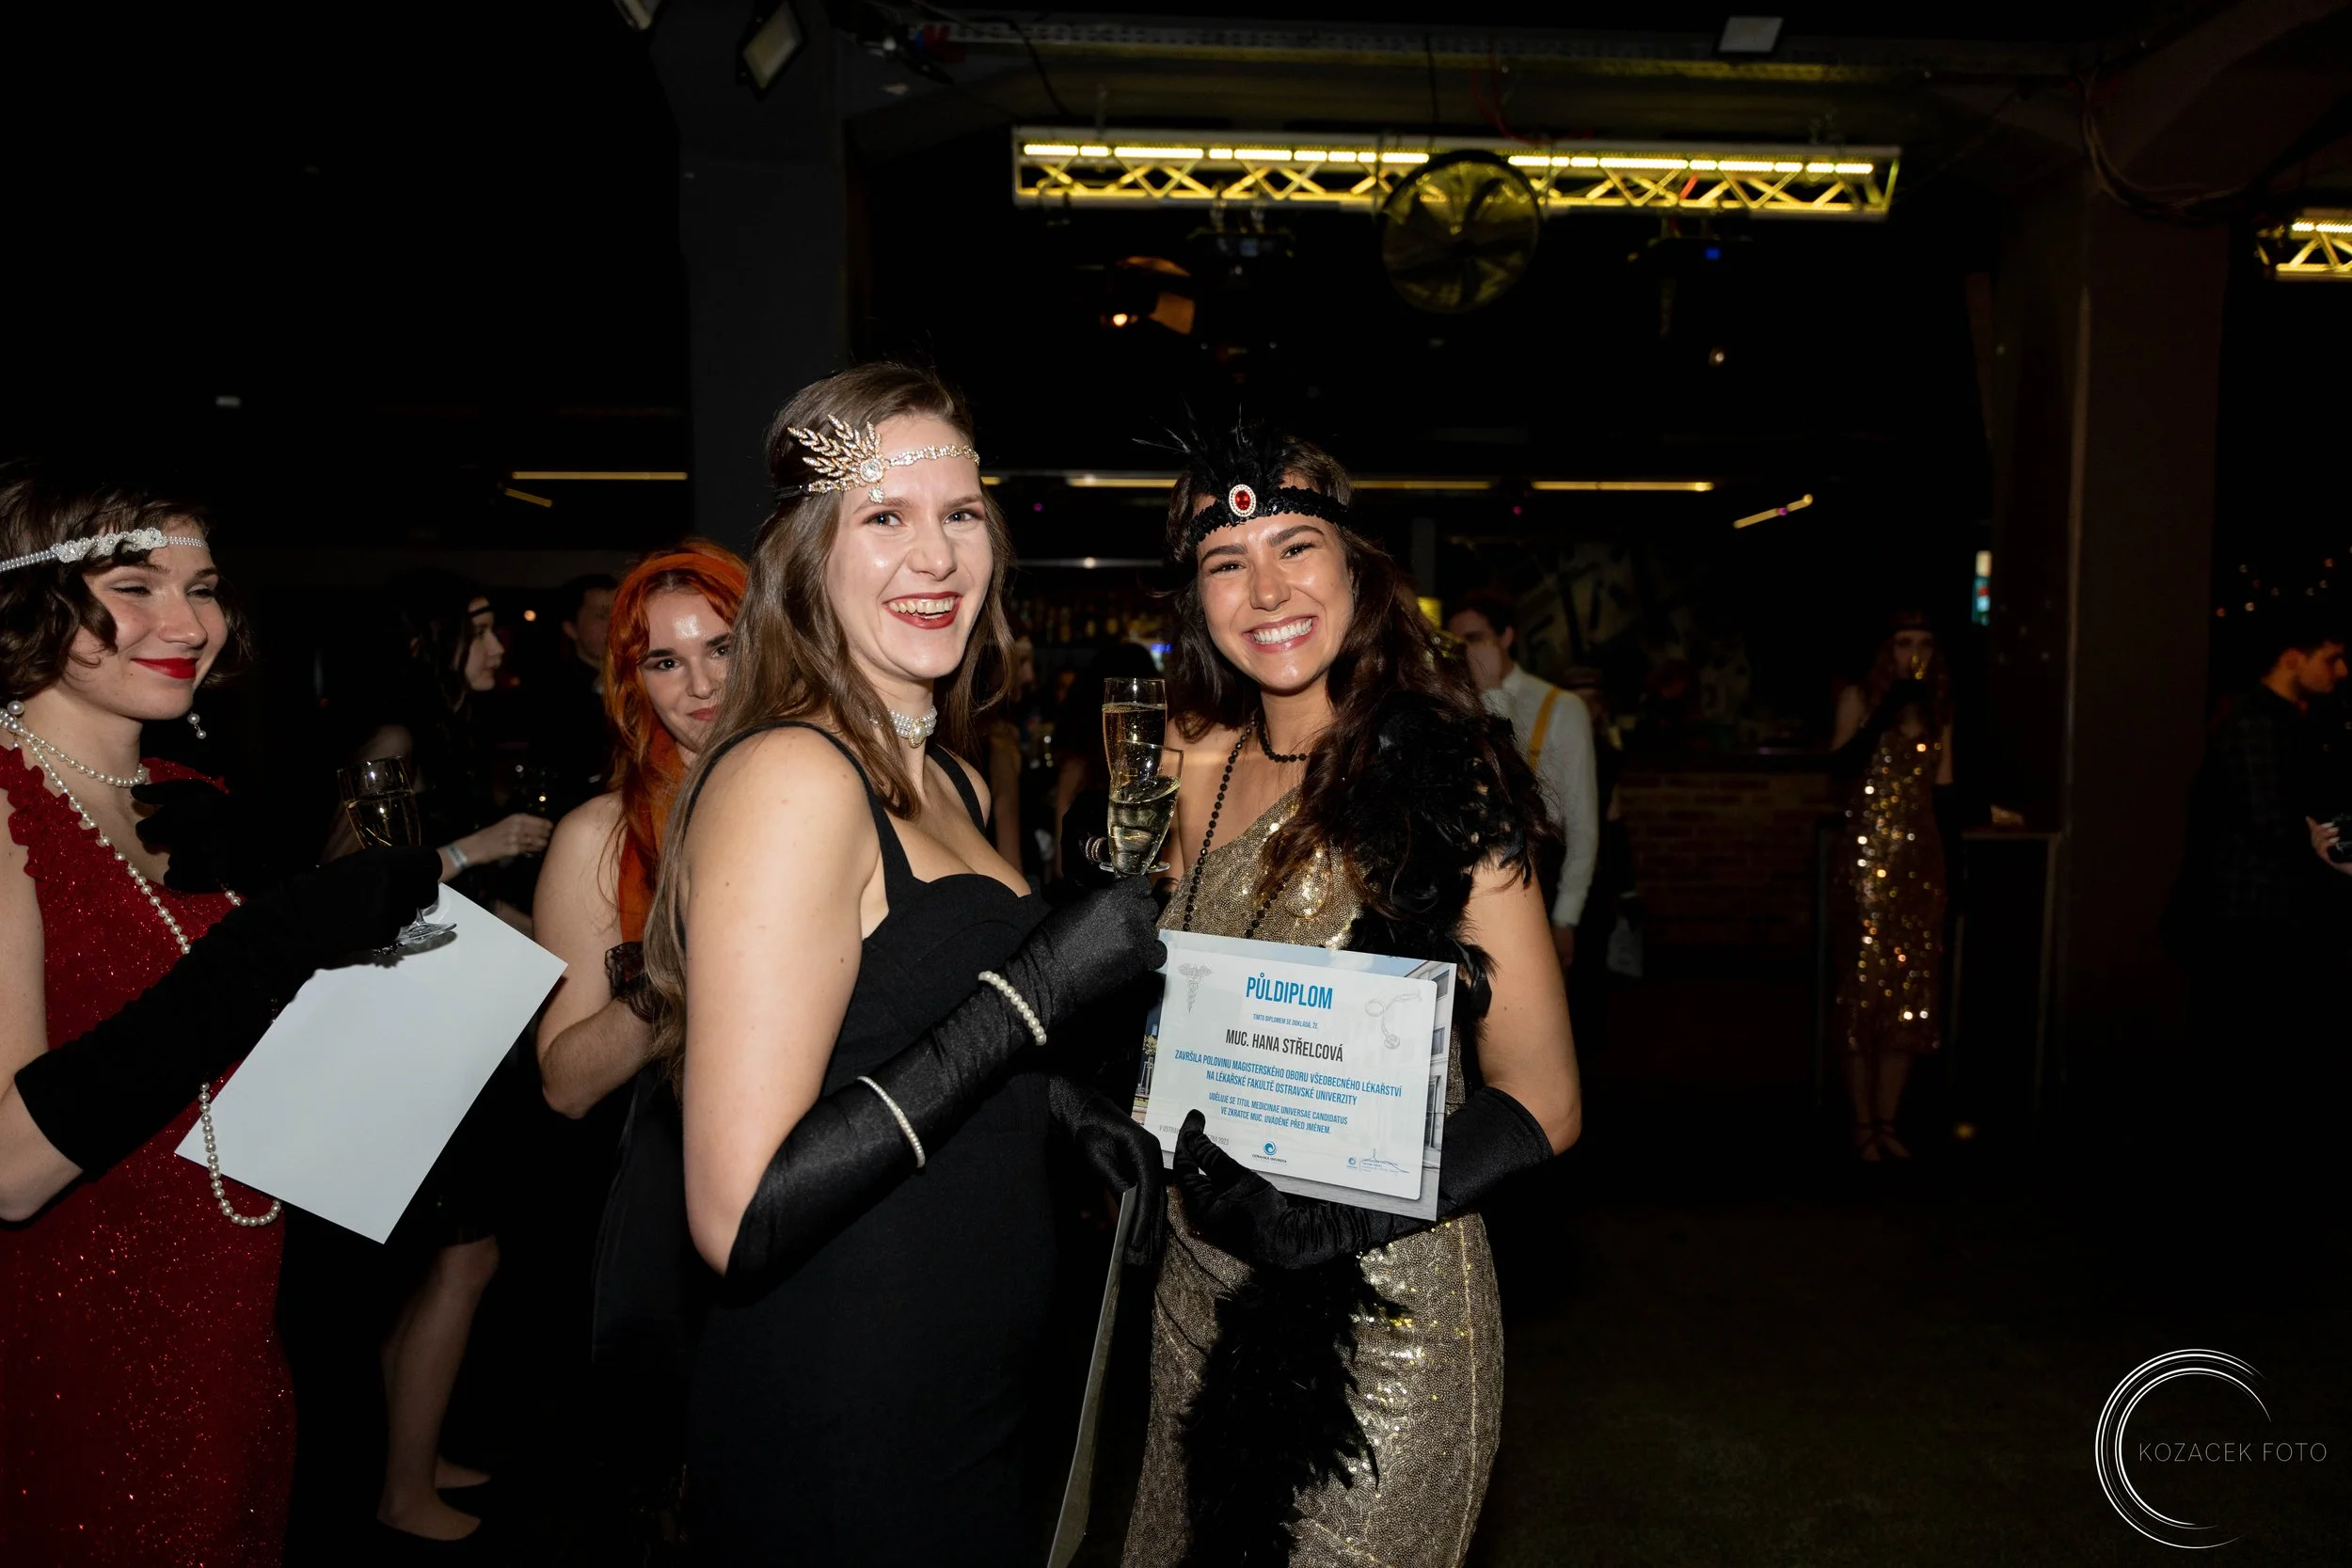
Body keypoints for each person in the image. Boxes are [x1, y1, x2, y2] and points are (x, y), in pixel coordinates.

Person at [635, 363, 1168, 1565]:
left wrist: (1062, 1111)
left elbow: (889, 1026)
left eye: (960, 513)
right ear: (808, 556)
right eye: (884, 515)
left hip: (970, 1384)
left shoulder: (955, 780)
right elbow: (739, 1213)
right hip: (849, 1409)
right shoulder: (793, 776)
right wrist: (1032, 999)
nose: (935, 555)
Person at [1123, 424, 1582, 1568]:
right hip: (1196, 1283)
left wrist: (1322, 1220)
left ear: (1355, 566)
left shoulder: (1442, 774)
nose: (1266, 590)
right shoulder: (1187, 756)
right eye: (1226, 562)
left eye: (1296, 546)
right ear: (1194, 596)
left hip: (1385, 1316)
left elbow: (1544, 1098)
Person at [0, 463, 438, 1566]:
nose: (189, 624)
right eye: (135, 586)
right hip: (73, 1335)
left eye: (203, 588)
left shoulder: (194, 800)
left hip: (230, 1313)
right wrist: (276, 940)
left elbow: (226, 1058)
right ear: (32, 601)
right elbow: (9, 1168)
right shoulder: (4, 806)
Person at [321, 569, 555, 1548]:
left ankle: (408, 1455)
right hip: (409, 1036)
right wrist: (480, 845)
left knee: (431, 1263)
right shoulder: (394, 739)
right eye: (479, 628)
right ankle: (403, 1487)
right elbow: (344, 879)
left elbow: (439, 900)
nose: (498, 644)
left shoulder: (440, 733)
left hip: (447, 1020)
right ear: (428, 642)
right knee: (466, 1253)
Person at [536, 542, 747, 1117]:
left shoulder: (835, 793)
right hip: (678, 1147)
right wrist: (678, 968)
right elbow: (564, 1086)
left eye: (723, 648)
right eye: (666, 662)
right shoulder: (600, 836)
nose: (702, 684)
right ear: (637, 682)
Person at [1826, 611, 1955, 1162]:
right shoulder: (1859, 699)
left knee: (1909, 997)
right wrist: (1886, 711)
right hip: (1866, 860)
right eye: (1904, 643)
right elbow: (1840, 767)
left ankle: (1888, 1119)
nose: (1915, 653)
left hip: (1920, 864)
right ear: (1887, 650)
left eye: (1924, 643)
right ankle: (1861, 1122)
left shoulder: (1939, 710)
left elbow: (1944, 792)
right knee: (1864, 990)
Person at [1446, 593, 1600, 974]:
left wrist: (1566, 917)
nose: (1466, 651)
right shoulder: (1451, 701)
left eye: (1476, 638)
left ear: (1506, 636)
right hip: (1469, 879)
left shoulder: (1560, 706)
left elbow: (1582, 822)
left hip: (1538, 872)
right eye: (1456, 642)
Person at [528, 573, 619, 821]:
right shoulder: (553, 692)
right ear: (570, 627)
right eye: (602, 615)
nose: (614, 624)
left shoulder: (645, 678)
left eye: (619, 613)